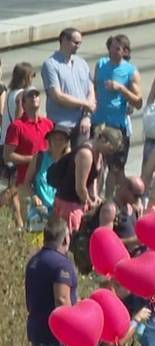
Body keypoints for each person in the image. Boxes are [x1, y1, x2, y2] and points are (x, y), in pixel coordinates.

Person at [93, 34, 142, 195]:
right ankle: (95, 199)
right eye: (111, 48)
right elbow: (94, 88)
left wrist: (121, 88)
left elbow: (138, 102)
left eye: (117, 49)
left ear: (125, 51)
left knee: (115, 169)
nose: (112, 51)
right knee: (96, 166)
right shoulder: (100, 64)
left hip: (116, 126)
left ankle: (110, 199)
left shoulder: (130, 71)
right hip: (98, 122)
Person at [51, 125, 123, 233]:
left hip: (80, 203)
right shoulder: (85, 154)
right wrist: (89, 203)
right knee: (70, 240)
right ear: (103, 139)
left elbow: (93, 177)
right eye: (110, 149)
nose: (110, 153)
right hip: (69, 204)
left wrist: (95, 196)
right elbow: (80, 187)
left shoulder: (98, 154)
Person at [4, 87, 53, 231]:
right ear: (23, 104)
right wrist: (33, 159)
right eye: (30, 96)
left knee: (50, 228)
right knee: (32, 227)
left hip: (47, 184)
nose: (34, 98)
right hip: (26, 184)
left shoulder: (48, 124)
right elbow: (8, 156)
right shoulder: (17, 126)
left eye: (36, 95)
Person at [41, 28, 94, 144]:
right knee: (62, 160)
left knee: (81, 159)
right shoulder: (50, 65)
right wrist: (85, 104)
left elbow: (91, 90)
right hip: (61, 125)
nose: (78, 46)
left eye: (80, 43)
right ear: (64, 40)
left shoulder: (82, 63)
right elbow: (57, 96)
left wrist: (86, 116)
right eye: (75, 43)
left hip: (82, 125)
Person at [21, 125, 71, 246]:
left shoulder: (70, 162)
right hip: (39, 210)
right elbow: (26, 184)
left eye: (61, 139)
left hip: (59, 213)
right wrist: (33, 196)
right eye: (55, 138)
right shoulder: (40, 157)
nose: (58, 142)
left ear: (66, 143)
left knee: (56, 248)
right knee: (34, 247)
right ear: (49, 141)